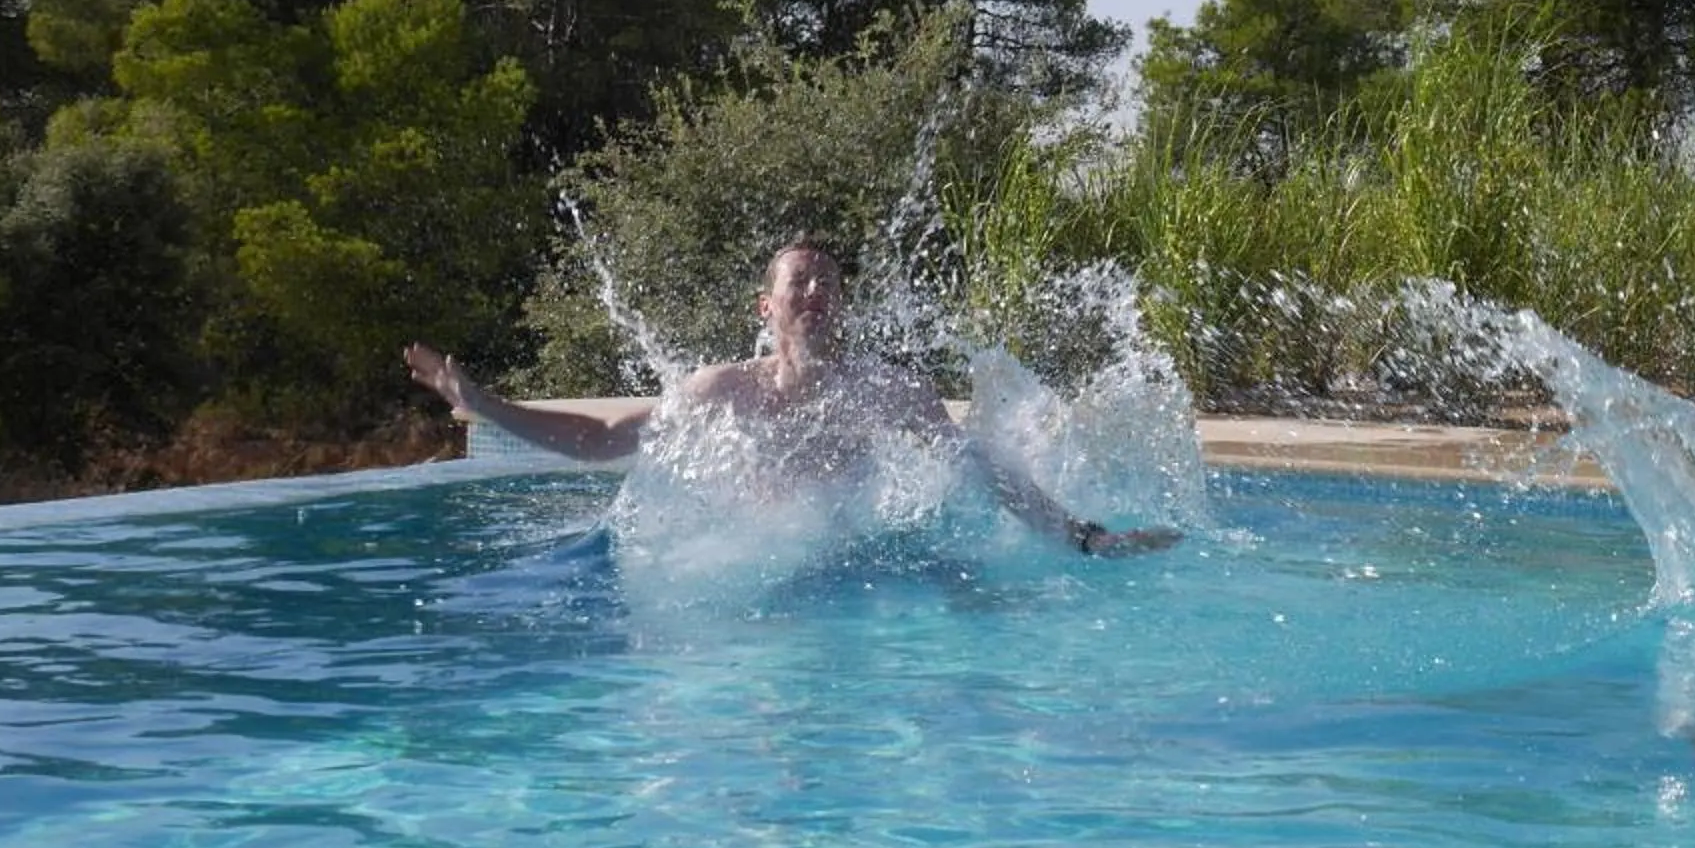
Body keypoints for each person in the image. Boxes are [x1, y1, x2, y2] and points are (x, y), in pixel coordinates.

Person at [404, 241, 1180, 557]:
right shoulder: (721, 393)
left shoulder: (887, 393)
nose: (815, 293)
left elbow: (983, 468)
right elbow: (606, 438)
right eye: (798, 284)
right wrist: (487, 406)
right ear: (765, 308)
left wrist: (1081, 536)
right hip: (765, 571)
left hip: (863, 566)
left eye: (828, 285)